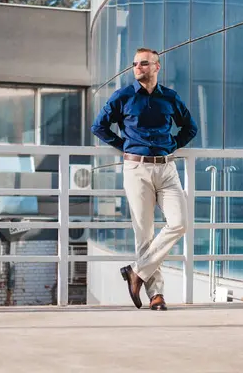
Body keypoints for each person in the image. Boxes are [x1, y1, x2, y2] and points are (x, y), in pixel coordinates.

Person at [91, 48, 198, 311]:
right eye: (135, 64)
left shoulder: (170, 98)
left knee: (180, 223)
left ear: (157, 67)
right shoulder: (123, 96)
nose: (138, 67)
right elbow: (99, 126)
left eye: (144, 63)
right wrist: (125, 146)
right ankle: (156, 295)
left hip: (166, 168)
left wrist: (172, 145)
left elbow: (190, 127)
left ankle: (136, 272)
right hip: (136, 170)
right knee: (144, 234)